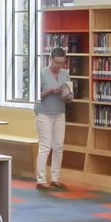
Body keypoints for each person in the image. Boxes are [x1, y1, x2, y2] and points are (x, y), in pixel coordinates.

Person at [34, 52, 73, 189]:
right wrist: (50, 91)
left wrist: (67, 96)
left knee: (58, 147)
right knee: (45, 146)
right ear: (50, 59)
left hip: (59, 112)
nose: (59, 65)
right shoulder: (41, 73)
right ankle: (41, 180)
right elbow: (35, 96)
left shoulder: (65, 74)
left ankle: (55, 178)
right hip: (44, 113)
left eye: (62, 62)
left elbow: (70, 93)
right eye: (57, 62)